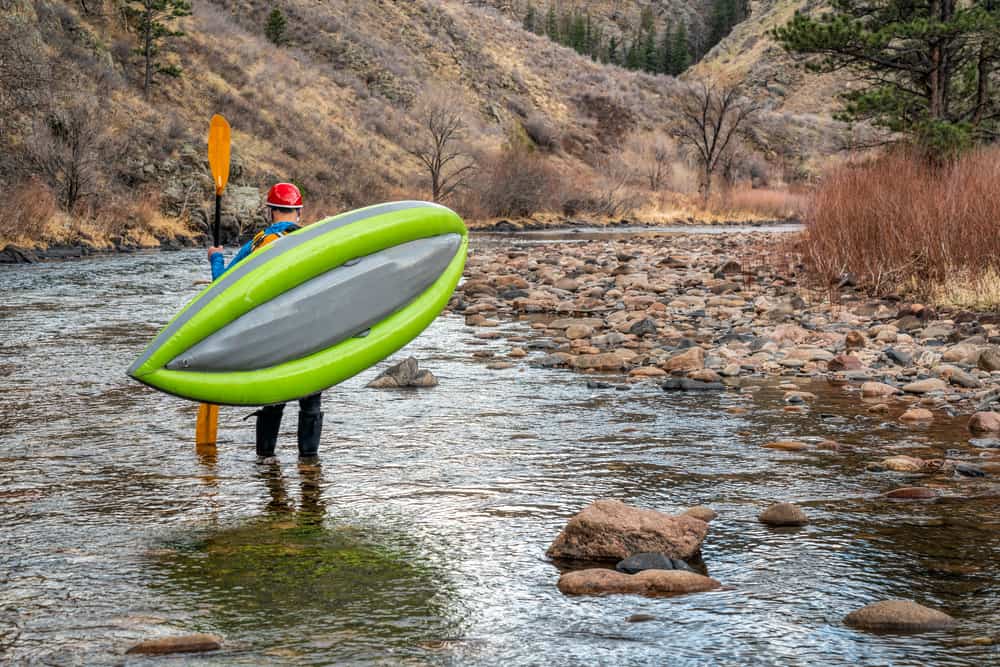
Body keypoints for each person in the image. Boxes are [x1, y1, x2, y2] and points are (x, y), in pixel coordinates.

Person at [207, 182, 324, 464]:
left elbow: (223, 285)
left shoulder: (258, 243)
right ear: (298, 213)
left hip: (274, 333)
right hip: (311, 331)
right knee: (311, 401)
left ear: (270, 211)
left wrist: (215, 258)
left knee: (274, 398)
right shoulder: (315, 240)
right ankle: (309, 463)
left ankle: (266, 460)